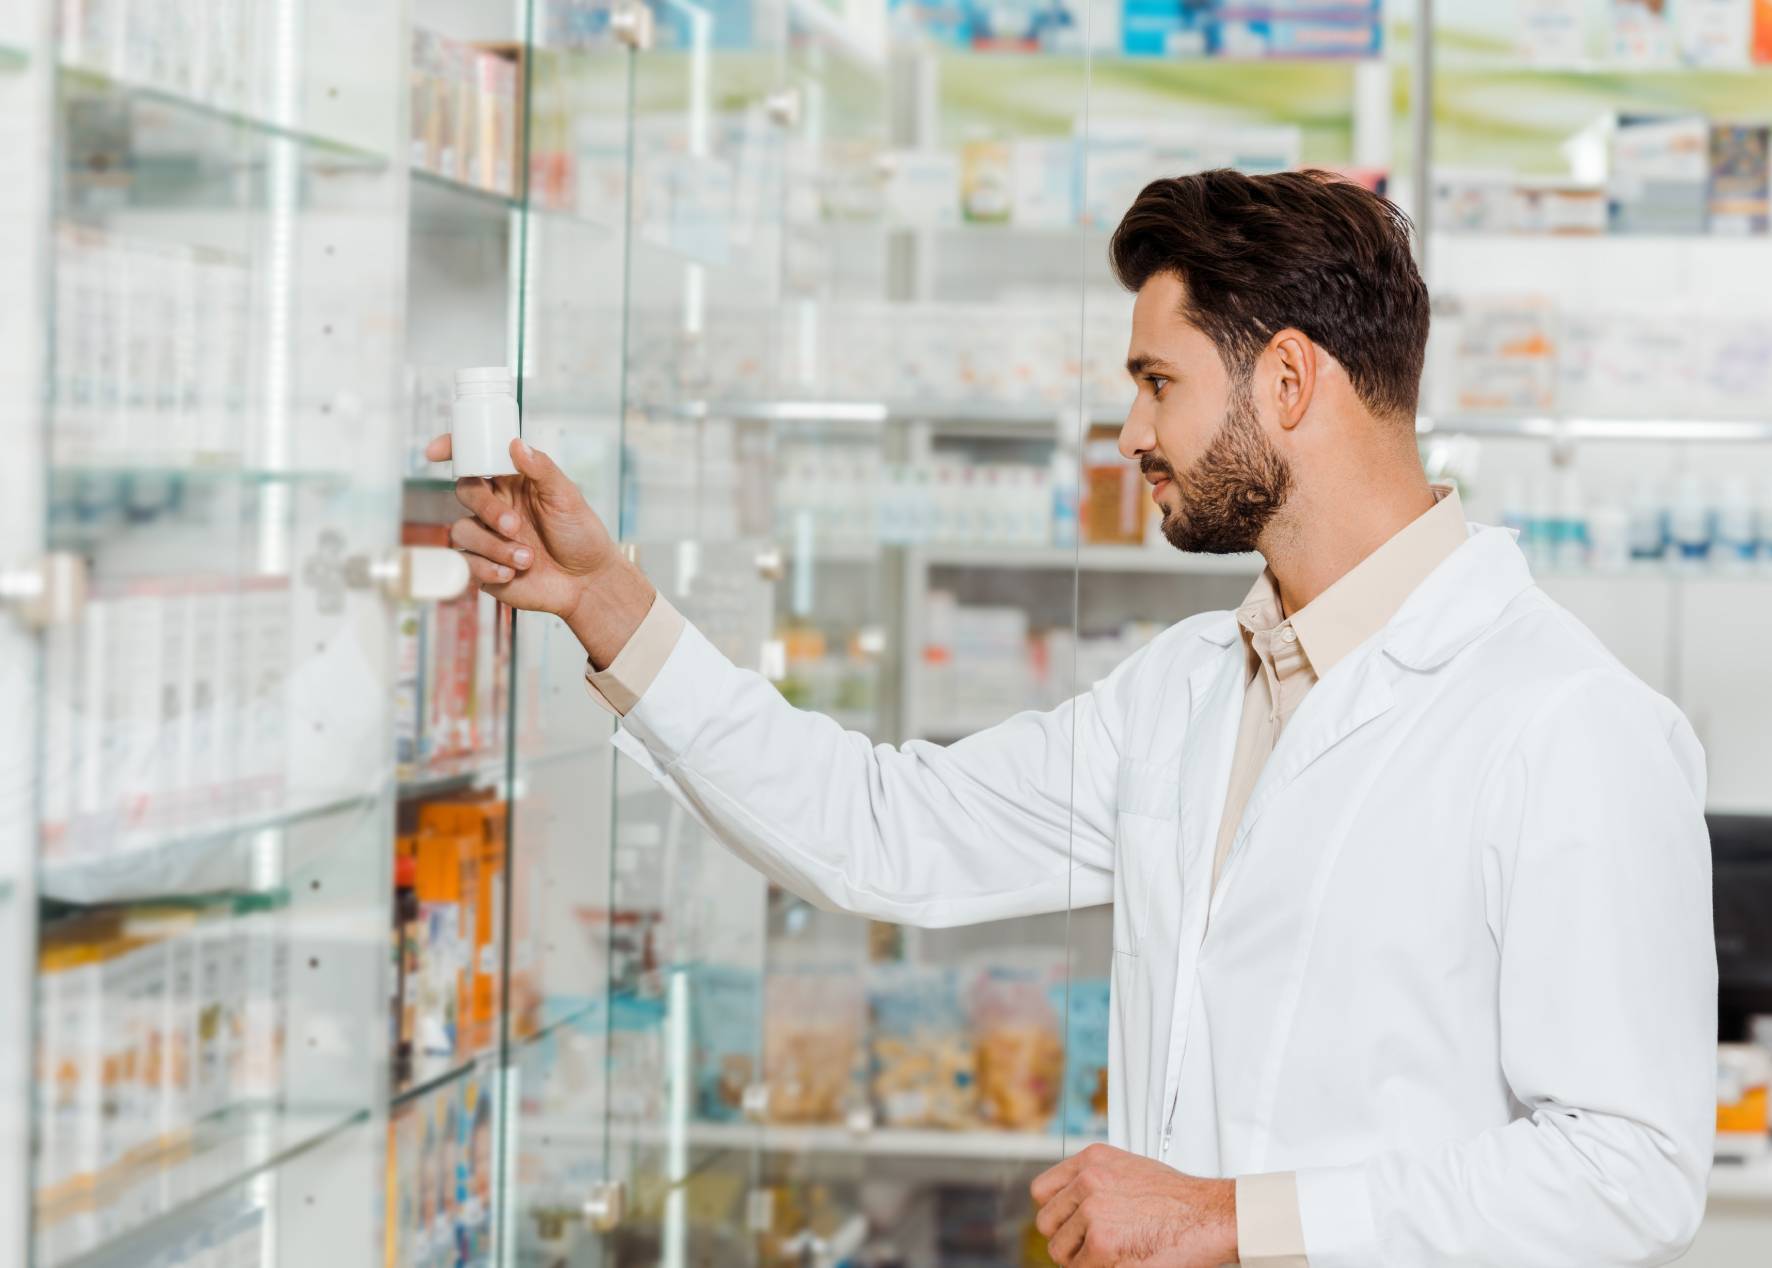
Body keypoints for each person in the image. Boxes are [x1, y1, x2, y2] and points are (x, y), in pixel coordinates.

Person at [428, 169, 1716, 1268]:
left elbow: (1633, 1166)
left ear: (1284, 381)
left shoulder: (1567, 722)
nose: (1129, 432)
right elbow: (884, 829)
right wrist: (610, 604)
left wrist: (1231, 1219)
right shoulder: (1192, 689)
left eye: (1158, 380)